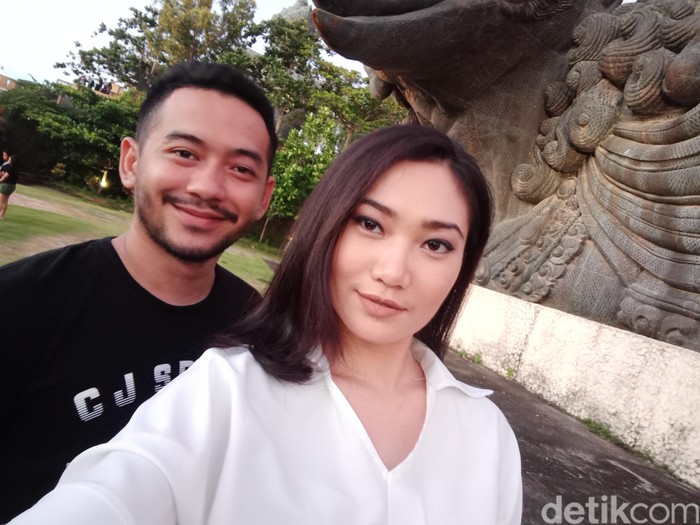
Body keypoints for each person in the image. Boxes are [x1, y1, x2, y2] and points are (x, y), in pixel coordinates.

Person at [9, 125, 522, 525]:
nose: (393, 271)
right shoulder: (226, 391)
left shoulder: (485, 434)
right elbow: (117, 492)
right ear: (325, 228)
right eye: (370, 224)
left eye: (436, 244)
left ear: (462, 266)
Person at [0, 61, 277, 522]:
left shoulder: (262, 329)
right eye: (184, 153)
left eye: (240, 168)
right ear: (131, 163)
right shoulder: (19, 305)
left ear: (264, 197)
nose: (207, 187)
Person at [0, 149, 19, 219]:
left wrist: (0, 180)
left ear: (12, 160)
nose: (9, 159)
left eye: (10, 158)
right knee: (5, 201)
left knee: (0, 201)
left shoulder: (11, 167)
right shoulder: (17, 169)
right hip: (12, 186)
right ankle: (1, 215)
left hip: (6, 185)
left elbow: (5, 176)